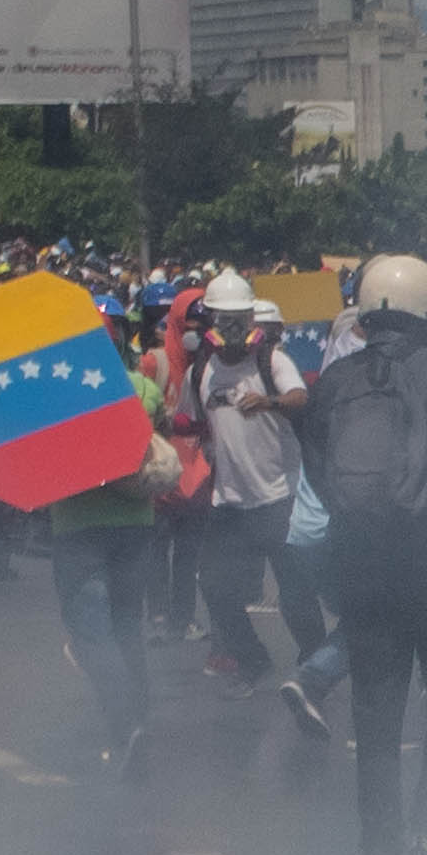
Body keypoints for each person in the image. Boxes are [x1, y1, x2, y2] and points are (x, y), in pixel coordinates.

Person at [301, 252, 427, 855]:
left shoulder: (335, 382)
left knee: (376, 709)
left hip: (363, 562)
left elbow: (320, 471)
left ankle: (379, 845)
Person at [41, 300, 166, 768]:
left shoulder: (52, 397)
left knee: (90, 633)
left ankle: (124, 723)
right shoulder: (141, 388)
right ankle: (141, 716)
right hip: (135, 523)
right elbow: (159, 428)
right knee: (126, 623)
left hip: (77, 528)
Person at [177, 274, 313, 693]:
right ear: (211, 321)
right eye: (224, 318)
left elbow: (300, 397)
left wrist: (269, 402)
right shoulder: (202, 369)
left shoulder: (271, 361)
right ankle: (254, 660)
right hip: (230, 500)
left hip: (276, 495)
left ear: (251, 317)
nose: (232, 328)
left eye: (239, 318)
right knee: (215, 586)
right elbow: (187, 418)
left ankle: (314, 664)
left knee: (295, 590)